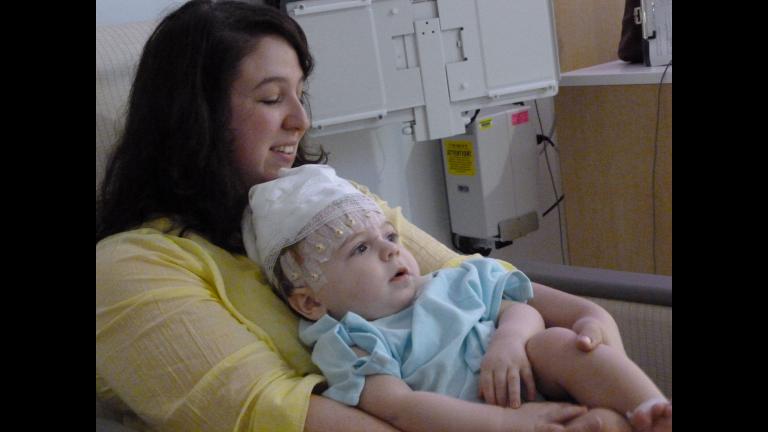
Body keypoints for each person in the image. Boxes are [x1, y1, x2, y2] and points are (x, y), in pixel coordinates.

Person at [96, 1, 635, 430]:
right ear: (196, 117)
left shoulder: (333, 203)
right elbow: (275, 414)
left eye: (301, 95)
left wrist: (587, 331)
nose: (301, 120)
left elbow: (465, 278)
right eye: (270, 99)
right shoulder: (131, 268)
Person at [242, 164, 672, 432]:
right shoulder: (355, 341)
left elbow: (520, 310)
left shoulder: (453, 282)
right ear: (310, 302)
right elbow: (400, 407)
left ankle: (651, 408)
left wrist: (509, 341)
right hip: (485, 421)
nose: (391, 249)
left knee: (559, 344)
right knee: (599, 424)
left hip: (534, 384)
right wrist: (505, 423)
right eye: (359, 249)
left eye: (390, 236)